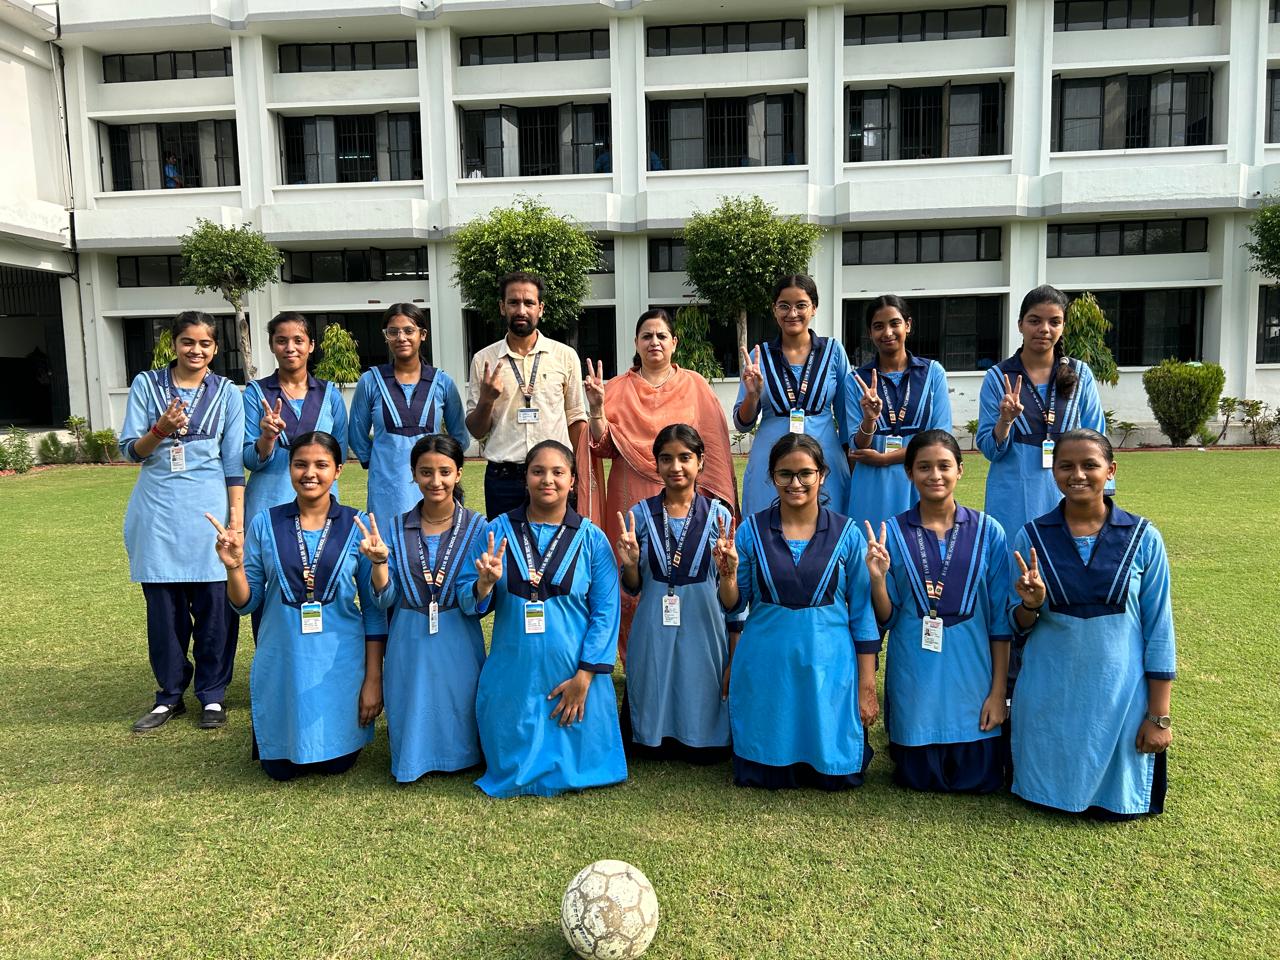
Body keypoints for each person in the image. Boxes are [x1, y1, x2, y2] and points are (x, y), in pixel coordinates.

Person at [1009, 429, 1175, 820]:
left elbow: (1159, 630)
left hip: (1120, 697)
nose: (1077, 474)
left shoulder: (1143, 538)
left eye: (1090, 465)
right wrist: (1031, 605)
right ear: (1054, 471)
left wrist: (1158, 717)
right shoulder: (1031, 536)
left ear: (1111, 470)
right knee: (1043, 796)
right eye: (1066, 465)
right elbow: (1014, 625)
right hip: (1050, 694)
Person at [211, 431, 387, 782]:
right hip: (283, 662)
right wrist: (233, 567)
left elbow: (375, 609)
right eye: (300, 464)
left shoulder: (357, 526)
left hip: (339, 667)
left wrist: (373, 680)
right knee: (279, 768)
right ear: (289, 468)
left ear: (338, 470)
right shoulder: (266, 522)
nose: (310, 473)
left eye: (321, 465)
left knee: (336, 765)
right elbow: (246, 603)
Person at [456, 440, 626, 798]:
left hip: (574, 672)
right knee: (513, 749)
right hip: (515, 673)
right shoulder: (496, 531)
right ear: (525, 479)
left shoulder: (592, 539)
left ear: (573, 481)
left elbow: (606, 611)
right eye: (537, 471)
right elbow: (468, 603)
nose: (547, 480)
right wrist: (484, 583)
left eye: (557, 472)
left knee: (581, 756)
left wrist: (585, 675)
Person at [715, 434, 880, 790]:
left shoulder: (847, 534)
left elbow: (863, 615)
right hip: (767, 664)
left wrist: (867, 685)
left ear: (822, 475)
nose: (795, 483)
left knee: (833, 772)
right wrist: (727, 576)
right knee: (765, 767)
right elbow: (734, 604)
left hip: (828, 666)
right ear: (771, 477)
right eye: (784, 474)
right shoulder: (750, 532)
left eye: (805, 473)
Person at [576, 308, 740, 658]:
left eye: (661, 335)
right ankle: (635, 657)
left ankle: (688, 654)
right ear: (636, 343)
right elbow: (602, 448)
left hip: (686, 499)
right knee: (634, 571)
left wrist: (715, 502)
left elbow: (710, 446)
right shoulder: (616, 389)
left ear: (674, 343)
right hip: (630, 492)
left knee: (686, 572)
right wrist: (596, 410)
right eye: (647, 336)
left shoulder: (695, 386)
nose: (654, 342)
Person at [865, 430, 1010, 794]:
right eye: (924, 467)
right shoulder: (893, 532)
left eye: (944, 466)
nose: (935, 475)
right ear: (908, 473)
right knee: (917, 777)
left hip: (973, 679)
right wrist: (879, 580)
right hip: (917, 678)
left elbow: (1000, 622)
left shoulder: (988, 531)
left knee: (978, 777)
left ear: (960, 470)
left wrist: (997, 693)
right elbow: (888, 616)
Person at [121, 311, 244, 733]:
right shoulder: (146, 385)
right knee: (165, 612)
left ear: (215, 348)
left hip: (209, 512)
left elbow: (233, 464)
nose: (196, 350)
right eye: (188, 342)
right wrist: (160, 429)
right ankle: (168, 695)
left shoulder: (228, 392)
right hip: (158, 513)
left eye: (205, 344)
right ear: (173, 343)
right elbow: (130, 452)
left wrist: (237, 523)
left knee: (215, 610)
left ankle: (212, 694)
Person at [362, 435, 488, 783]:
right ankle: (414, 759)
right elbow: (385, 599)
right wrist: (379, 566)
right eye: (426, 472)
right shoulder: (393, 528)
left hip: (458, 637)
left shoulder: (478, 528)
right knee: (413, 701)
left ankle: (464, 755)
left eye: (445, 471)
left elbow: (473, 602)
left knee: (458, 700)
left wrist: (485, 584)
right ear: (414, 475)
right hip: (409, 636)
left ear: (459, 473)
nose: (436, 481)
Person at [616, 424, 741, 763]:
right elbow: (634, 585)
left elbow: (731, 602)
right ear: (655, 465)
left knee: (698, 678)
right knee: (656, 675)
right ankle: (652, 736)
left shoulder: (719, 516)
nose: (676, 467)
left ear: (701, 461)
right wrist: (630, 564)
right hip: (654, 626)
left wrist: (729, 573)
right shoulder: (640, 515)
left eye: (685, 457)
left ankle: (704, 738)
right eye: (666, 459)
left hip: (704, 627)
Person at [976, 285, 1107, 552]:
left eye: (1054, 322)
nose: (1044, 329)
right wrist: (1005, 421)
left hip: (1069, 489)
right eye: (1035, 321)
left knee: (1066, 567)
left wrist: (1102, 497)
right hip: (1012, 495)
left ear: (1063, 327)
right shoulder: (999, 377)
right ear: (1020, 324)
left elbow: (1098, 442)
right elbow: (990, 450)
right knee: (1016, 568)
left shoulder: (1080, 374)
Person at [466, 272, 589, 519]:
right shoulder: (484, 360)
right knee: (506, 551)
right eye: (513, 302)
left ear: (540, 308)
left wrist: (577, 472)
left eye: (529, 303)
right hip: (503, 479)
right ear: (502, 307)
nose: (521, 310)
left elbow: (576, 418)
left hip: (553, 475)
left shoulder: (564, 356)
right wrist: (487, 399)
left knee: (557, 550)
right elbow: (476, 430)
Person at [735, 275, 851, 517]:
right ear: (774, 309)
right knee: (767, 532)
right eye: (784, 306)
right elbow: (742, 423)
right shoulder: (760, 356)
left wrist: (852, 464)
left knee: (827, 532)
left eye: (801, 305)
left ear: (814, 308)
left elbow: (847, 417)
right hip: (770, 463)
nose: (792, 313)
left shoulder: (833, 352)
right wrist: (753, 396)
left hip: (824, 461)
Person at [349, 303, 468, 525]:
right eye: (393, 332)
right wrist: (380, 463)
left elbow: (459, 437)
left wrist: (443, 469)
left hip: (433, 486)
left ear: (422, 335)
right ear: (386, 337)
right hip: (387, 488)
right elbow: (356, 436)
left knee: (433, 547)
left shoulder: (442, 382)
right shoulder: (370, 381)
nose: (401, 337)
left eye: (408, 330)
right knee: (387, 548)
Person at [844, 295, 952, 530]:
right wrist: (869, 419)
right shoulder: (855, 380)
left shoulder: (933, 373)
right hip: (871, 484)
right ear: (870, 332)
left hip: (919, 475)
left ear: (908, 325)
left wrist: (885, 459)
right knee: (871, 551)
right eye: (878, 326)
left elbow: (941, 437)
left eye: (895, 323)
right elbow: (857, 443)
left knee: (920, 552)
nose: (887, 332)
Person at [242, 312, 348, 526]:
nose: (290, 348)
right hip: (267, 501)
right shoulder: (256, 393)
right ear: (272, 346)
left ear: (311, 345)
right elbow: (249, 460)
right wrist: (267, 438)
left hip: (319, 501)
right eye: (281, 341)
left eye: (298, 340)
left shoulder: (329, 395)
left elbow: (340, 454)